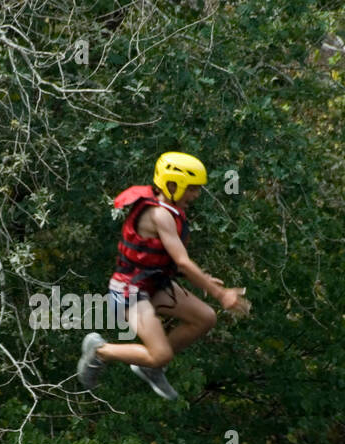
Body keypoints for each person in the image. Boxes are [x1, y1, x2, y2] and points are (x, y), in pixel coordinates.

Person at [77, 152, 249, 401]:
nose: (196, 194)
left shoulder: (169, 210)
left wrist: (204, 279)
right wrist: (220, 294)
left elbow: (161, 259)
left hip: (152, 285)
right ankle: (100, 351)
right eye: (192, 188)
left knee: (205, 317)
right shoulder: (160, 215)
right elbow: (181, 260)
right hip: (129, 291)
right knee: (161, 354)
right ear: (172, 184)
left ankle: (150, 367)